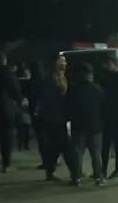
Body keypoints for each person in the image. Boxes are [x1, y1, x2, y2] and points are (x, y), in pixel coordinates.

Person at [37, 54, 80, 184]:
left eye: (65, 62)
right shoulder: (50, 79)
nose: (64, 64)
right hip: (55, 118)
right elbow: (50, 100)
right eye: (61, 61)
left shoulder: (62, 76)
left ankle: (51, 172)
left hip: (60, 118)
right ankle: (75, 175)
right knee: (67, 147)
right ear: (55, 63)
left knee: (54, 147)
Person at [66, 62, 105, 186]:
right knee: (96, 154)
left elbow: (68, 107)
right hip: (95, 126)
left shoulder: (73, 89)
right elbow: (103, 107)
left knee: (78, 153)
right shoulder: (97, 89)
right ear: (90, 74)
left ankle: (76, 178)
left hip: (78, 126)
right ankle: (99, 177)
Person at [98, 54, 118, 179]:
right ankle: (102, 169)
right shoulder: (104, 77)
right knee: (105, 145)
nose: (105, 67)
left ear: (114, 64)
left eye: (107, 64)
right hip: (106, 116)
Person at [0, 51, 23, 173]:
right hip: (4, 108)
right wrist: (20, 100)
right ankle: (6, 163)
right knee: (6, 136)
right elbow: (15, 89)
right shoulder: (7, 72)